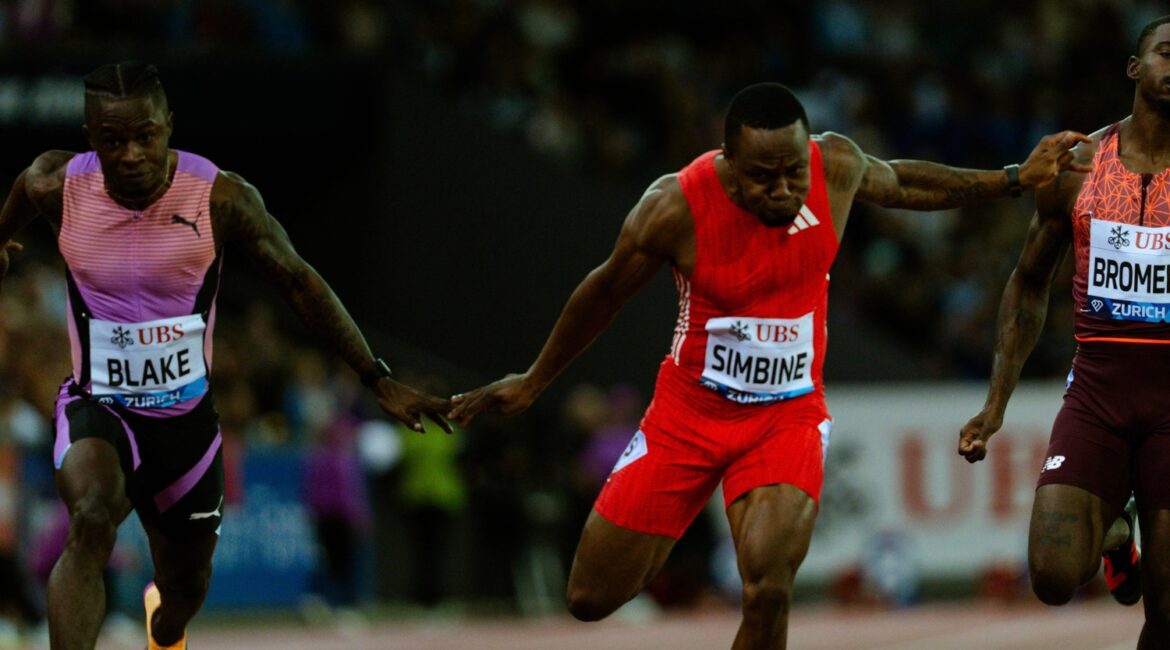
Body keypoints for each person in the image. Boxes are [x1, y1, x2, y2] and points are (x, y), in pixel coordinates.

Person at [449, 81, 1088, 648]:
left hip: (787, 416)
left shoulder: (834, 164)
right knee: (589, 599)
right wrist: (534, 379)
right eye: (763, 177)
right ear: (729, 164)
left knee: (768, 586)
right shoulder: (674, 207)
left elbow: (905, 182)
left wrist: (1011, 178)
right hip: (686, 415)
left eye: (792, 172)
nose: (783, 188)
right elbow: (606, 291)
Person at [0, 61, 452, 650]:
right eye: (112, 140)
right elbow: (11, 212)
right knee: (88, 521)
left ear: (169, 126)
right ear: (90, 138)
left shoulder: (221, 197)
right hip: (97, 404)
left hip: (185, 423)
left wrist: (375, 376)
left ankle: (166, 625)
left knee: (185, 588)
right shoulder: (54, 184)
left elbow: (299, 281)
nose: (131, 153)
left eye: (145, 136)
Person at [959, 15, 1170, 647]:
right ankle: (1114, 537)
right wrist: (995, 406)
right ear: (1135, 68)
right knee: (1052, 577)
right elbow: (1027, 284)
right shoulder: (1078, 167)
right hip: (1099, 396)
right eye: (1167, 52)